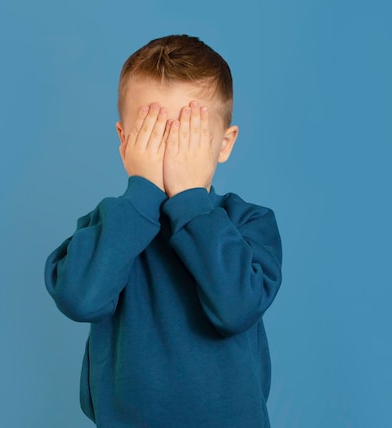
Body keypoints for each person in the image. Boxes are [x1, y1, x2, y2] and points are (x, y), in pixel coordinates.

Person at [44, 34, 282, 427]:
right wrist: (143, 193)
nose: (172, 152)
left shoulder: (249, 223)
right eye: (154, 133)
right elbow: (80, 299)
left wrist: (189, 197)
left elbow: (236, 308)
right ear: (125, 142)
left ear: (223, 145)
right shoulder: (107, 227)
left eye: (187, 135)